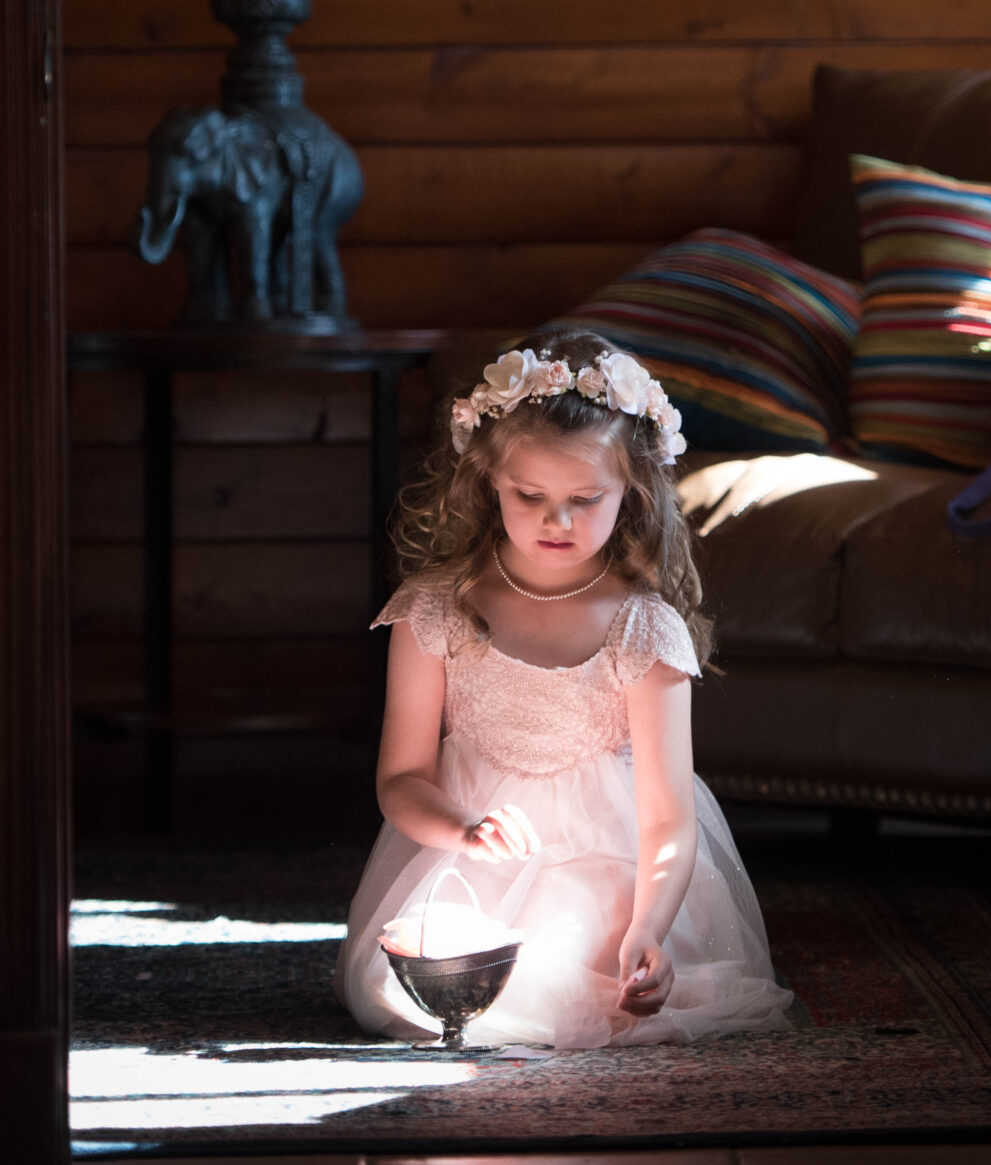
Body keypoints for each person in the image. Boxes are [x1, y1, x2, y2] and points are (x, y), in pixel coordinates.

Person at [336, 331, 794, 1048]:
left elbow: (668, 816)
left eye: (585, 497)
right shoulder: (435, 611)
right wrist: (462, 828)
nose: (558, 520)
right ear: (490, 479)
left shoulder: (643, 628)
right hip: (473, 853)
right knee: (403, 978)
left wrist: (649, 925)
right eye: (531, 495)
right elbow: (400, 778)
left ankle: (603, 955)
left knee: (562, 959)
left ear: (630, 491)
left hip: (607, 859)